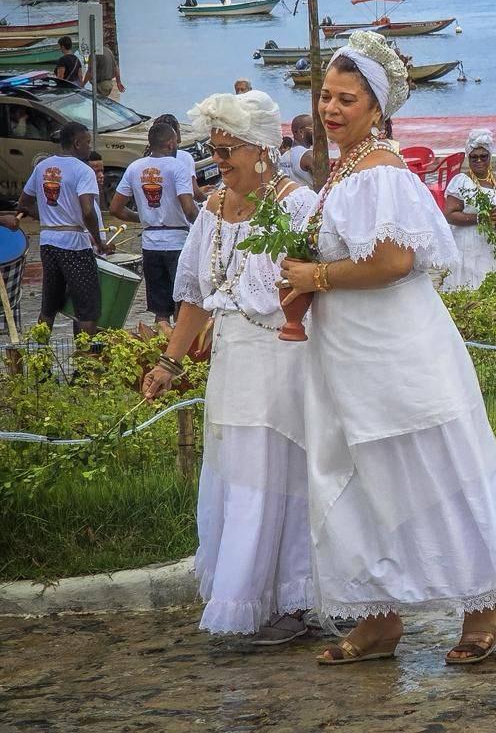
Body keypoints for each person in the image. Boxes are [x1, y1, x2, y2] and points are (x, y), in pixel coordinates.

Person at [278, 30, 496, 666]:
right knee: (354, 469)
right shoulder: (342, 170)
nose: (331, 108)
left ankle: (484, 601)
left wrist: (314, 276)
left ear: (376, 109)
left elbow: (393, 261)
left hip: (396, 345)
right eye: (325, 96)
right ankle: (377, 615)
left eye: (347, 98)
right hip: (345, 346)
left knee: (431, 465)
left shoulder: (383, 172)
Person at [141, 89, 317, 644]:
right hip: (232, 361)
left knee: (278, 475)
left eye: (227, 152)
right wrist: (169, 361)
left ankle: (293, 597)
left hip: (283, 359)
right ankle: (250, 597)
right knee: (238, 473)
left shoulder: (298, 204)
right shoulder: (214, 208)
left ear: (262, 149)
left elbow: (319, 289)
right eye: (214, 151)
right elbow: (194, 294)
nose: (218, 164)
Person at [18, 122, 107, 333]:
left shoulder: (42, 167)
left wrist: (49, 218)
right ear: (76, 143)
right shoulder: (83, 171)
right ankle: (85, 362)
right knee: (87, 308)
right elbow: (88, 211)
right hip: (74, 244)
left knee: (49, 306)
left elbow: (24, 203)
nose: (88, 147)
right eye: (87, 142)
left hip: (48, 242)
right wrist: (98, 240)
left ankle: (40, 359)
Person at [110, 123, 199, 325]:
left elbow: (115, 208)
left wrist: (142, 218)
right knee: (182, 303)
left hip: (150, 244)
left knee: (160, 309)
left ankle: (161, 349)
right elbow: (188, 208)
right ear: (170, 144)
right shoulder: (178, 167)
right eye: (176, 141)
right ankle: (180, 352)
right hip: (178, 243)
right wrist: (203, 226)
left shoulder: (134, 168)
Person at [442, 129, 496, 290]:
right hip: (470, 248)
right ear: (468, 158)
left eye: (484, 156)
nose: (479, 160)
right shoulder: (461, 181)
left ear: (490, 157)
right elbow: (449, 214)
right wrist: (481, 218)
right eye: (474, 157)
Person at [281, 114, 314, 188]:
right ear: (301, 132)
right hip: (310, 198)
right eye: (313, 128)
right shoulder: (308, 155)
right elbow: (324, 186)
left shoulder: (283, 158)